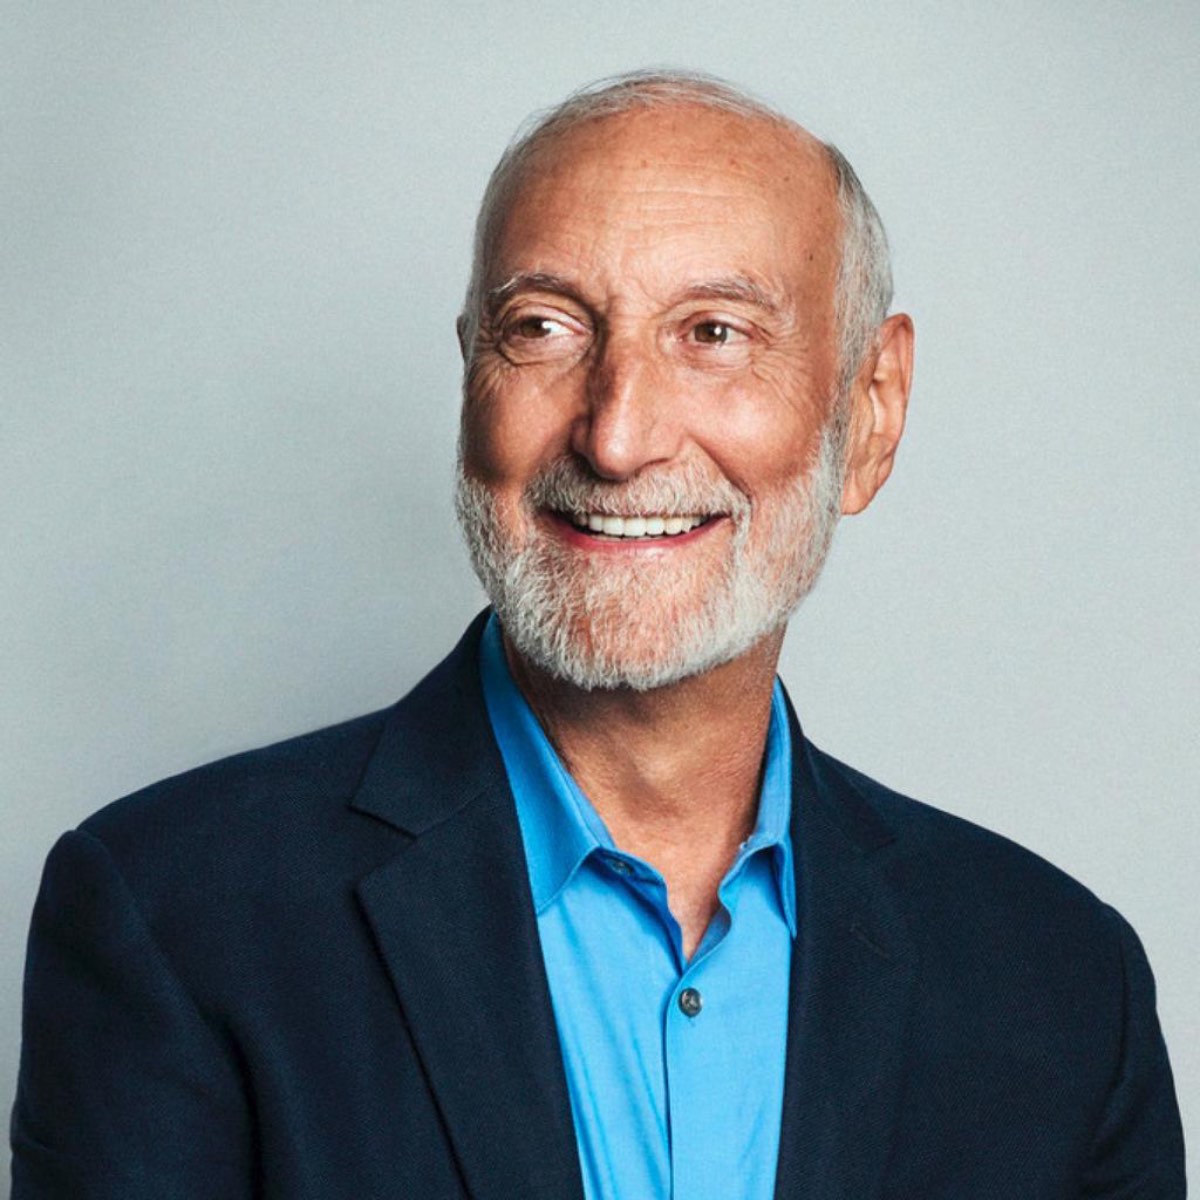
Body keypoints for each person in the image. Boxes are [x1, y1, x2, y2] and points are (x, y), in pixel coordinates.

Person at [11, 69, 1185, 1199]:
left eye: (714, 332)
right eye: (544, 328)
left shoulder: (1063, 987)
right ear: (470, 375)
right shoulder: (176, 920)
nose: (617, 438)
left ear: (870, 414)